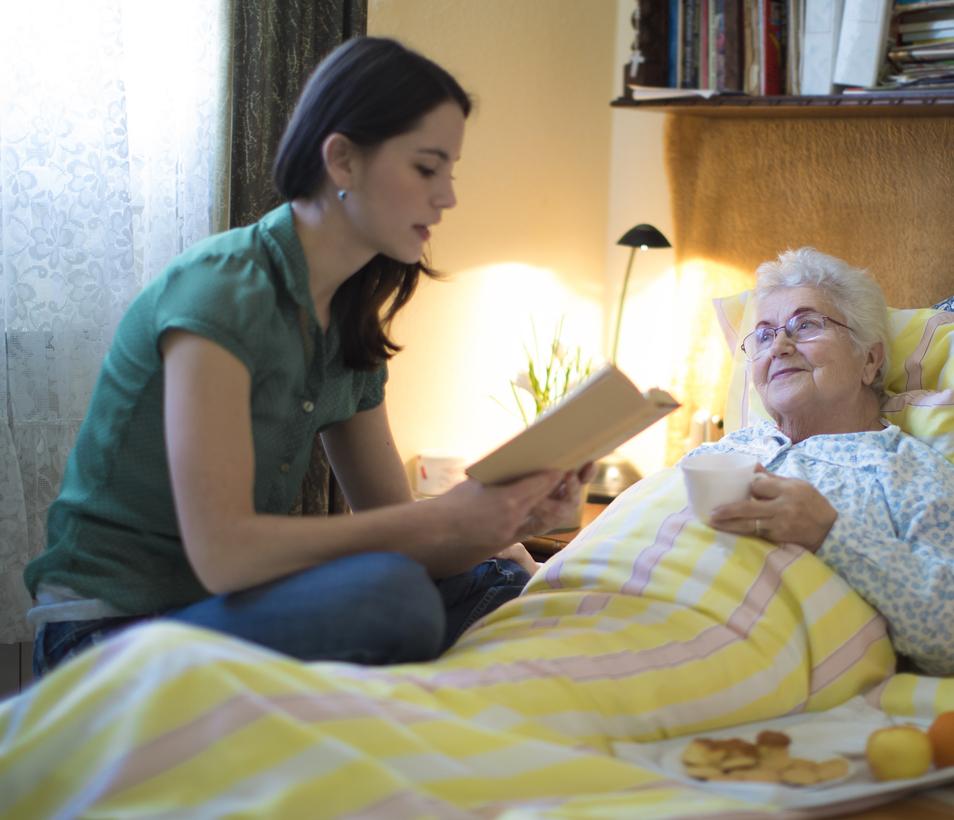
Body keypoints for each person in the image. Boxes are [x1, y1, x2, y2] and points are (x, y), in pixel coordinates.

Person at [23, 37, 591, 677]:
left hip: (230, 610)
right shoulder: (219, 293)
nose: (448, 198)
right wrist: (443, 520)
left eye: (450, 172)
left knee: (507, 589)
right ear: (343, 161)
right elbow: (226, 554)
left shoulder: (348, 319)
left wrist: (502, 523)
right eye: (427, 168)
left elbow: (392, 524)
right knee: (396, 599)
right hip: (112, 630)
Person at [687, 247, 954, 675]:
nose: (779, 346)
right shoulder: (714, 455)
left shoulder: (909, 472)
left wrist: (831, 534)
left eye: (805, 325)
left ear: (869, 359)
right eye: (763, 334)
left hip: (736, 659)